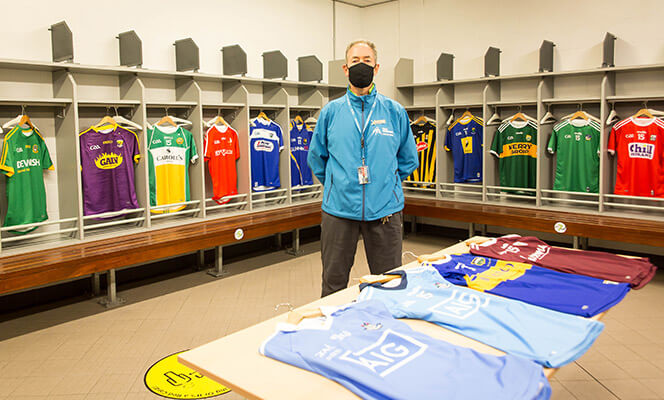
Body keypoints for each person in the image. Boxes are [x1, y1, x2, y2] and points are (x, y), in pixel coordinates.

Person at [308, 39, 419, 297]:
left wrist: (385, 183)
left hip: (385, 210)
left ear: (377, 67)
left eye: (367, 61)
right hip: (339, 210)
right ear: (345, 69)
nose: (361, 66)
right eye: (355, 61)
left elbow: (408, 158)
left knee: (389, 283)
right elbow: (317, 158)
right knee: (333, 283)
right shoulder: (331, 113)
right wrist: (339, 184)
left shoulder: (394, 111)